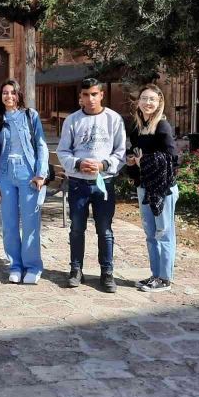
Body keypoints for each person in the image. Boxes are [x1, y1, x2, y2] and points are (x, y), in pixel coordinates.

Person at [57, 77, 126, 292]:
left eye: (94, 94)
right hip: (78, 184)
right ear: (80, 97)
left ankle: (107, 272)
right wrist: (78, 163)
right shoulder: (72, 120)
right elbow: (63, 151)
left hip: (103, 183)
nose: (90, 99)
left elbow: (121, 152)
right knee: (77, 228)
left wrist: (104, 164)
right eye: (86, 95)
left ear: (101, 94)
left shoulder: (113, 119)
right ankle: (76, 269)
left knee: (104, 230)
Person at [0, 80, 49, 284]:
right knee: (9, 223)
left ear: (18, 95)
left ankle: (32, 266)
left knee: (31, 223)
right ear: (0, 96)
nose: (9, 96)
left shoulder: (30, 116)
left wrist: (41, 173)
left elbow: (41, 145)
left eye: (12, 93)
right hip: (5, 174)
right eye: (5, 93)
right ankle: (15, 265)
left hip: (28, 174)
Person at [125, 84, 179, 292]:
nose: (148, 103)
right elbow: (134, 151)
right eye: (144, 98)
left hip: (162, 189)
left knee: (164, 232)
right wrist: (131, 160)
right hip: (144, 186)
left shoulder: (162, 126)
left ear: (159, 103)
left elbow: (172, 159)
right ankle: (155, 275)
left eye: (152, 99)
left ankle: (165, 278)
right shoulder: (137, 127)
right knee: (150, 233)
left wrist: (144, 161)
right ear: (138, 101)